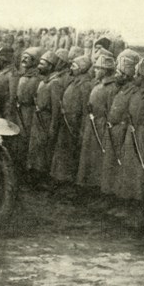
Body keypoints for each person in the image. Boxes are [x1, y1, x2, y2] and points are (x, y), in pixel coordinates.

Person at [114, 57, 144, 224]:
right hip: (132, 135)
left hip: (142, 136)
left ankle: (141, 213)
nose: (135, 77)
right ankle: (128, 207)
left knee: (141, 176)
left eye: (138, 74)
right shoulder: (137, 91)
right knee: (129, 172)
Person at [101, 50, 140, 201]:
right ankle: (109, 197)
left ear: (126, 74)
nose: (116, 75)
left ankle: (118, 199)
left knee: (119, 168)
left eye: (119, 72)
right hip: (113, 131)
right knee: (109, 166)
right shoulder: (120, 89)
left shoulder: (132, 91)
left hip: (121, 132)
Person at [76, 53, 118, 189]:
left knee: (99, 157)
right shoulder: (97, 84)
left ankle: (98, 187)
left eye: (97, 68)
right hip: (92, 124)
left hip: (101, 126)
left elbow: (111, 110)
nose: (94, 71)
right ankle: (88, 185)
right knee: (89, 155)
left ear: (105, 70)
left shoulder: (112, 88)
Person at [50, 55, 93, 187]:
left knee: (72, 154)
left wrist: (82, 128)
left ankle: (69, 183)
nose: (71, 68)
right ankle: (61, 180)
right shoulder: (74, 81)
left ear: (82, 69)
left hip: (75, 124)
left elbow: (86, 109)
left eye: (75, 66)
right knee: (63, 152)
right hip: (67, 122)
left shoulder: (85, 85)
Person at [27, 51, 60, 183]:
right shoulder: (43, 81)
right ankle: (34, 175)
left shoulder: (55, 83)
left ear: (51, 67)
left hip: (45, 120)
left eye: (42, 63)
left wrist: (52, 127)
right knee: (35, 148)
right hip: (38, 119)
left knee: (43, 150)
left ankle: (42, 178)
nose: (39, 66)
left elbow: (56, 109)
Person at [0, 46, 19, 120]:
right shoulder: (2, 72)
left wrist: (9, 111)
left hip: (7, 109)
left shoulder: (12, 73)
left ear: (4, 61)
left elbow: (13, 95)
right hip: (0, 106)